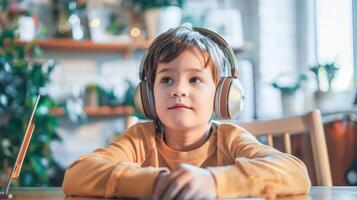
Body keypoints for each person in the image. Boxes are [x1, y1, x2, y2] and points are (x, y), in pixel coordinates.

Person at [62, 24, 311, 199]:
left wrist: (215, 182)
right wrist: (153, 183)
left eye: (194, 80)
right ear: (148, 95)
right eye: (167, 80)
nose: (178, 90)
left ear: (223, 95)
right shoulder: (140, 138)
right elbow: (76, 174)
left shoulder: (231, 138)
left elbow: (295, 172)